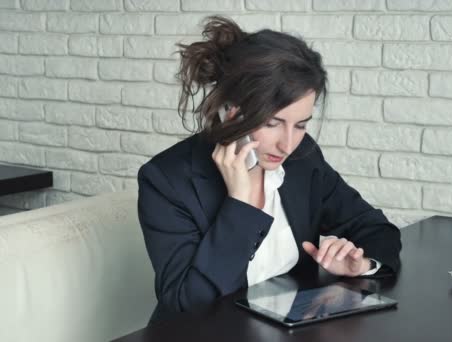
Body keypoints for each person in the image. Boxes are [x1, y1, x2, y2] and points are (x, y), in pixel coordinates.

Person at [137, 16, 402, 324]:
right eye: (272, 123)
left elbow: (375, 228)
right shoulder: (167, 180)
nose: (287, 144)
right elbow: (188, 303)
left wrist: (361, 264)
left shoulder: (303, 158)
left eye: (300, 125)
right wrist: (240, 204)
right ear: (230, 111)